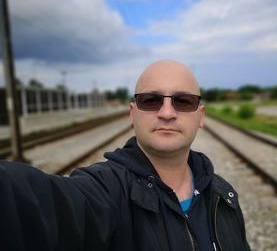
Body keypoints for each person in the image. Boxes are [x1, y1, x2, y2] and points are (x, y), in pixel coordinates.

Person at [0, 60, 250, 251]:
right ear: (132, 113)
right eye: (151, 100)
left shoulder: (223, 195)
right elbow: (31, 201)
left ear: (201, 116)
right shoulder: (106, 191)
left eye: (183, 101)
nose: (166, 112)